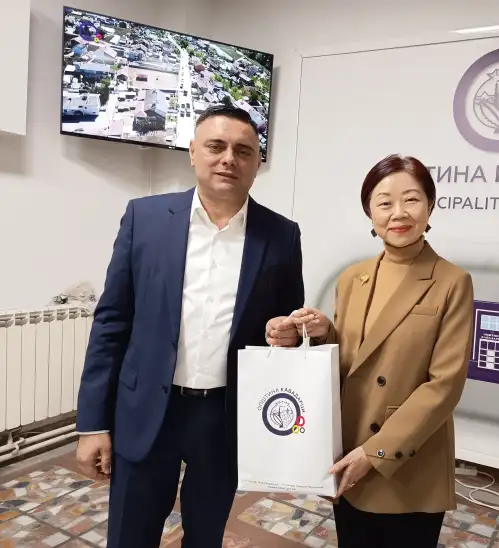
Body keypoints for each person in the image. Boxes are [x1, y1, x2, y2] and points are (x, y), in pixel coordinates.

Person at [75, 105, 304, 548]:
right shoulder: (144, 218)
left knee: (205, 536)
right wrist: (92, 423)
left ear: (258, 162)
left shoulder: (282, 235)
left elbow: (284, 328)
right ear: (193, 153)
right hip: (145, 410)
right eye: (216, 146)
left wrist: (290, 334)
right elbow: (112, 322)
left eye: (243, 150)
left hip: (223, 417)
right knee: (129, 535)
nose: (229, 159)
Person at [268, 154, 475, 547]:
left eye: (411, 199)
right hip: (349, 450)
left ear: (430, 205)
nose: (399, 213)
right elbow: (352, 361)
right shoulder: (353, 277)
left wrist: (375, 453)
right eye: (384, 202)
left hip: (406, 459)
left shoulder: (453, 281)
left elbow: (444, 385)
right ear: (370, 212)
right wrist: (322, 333)